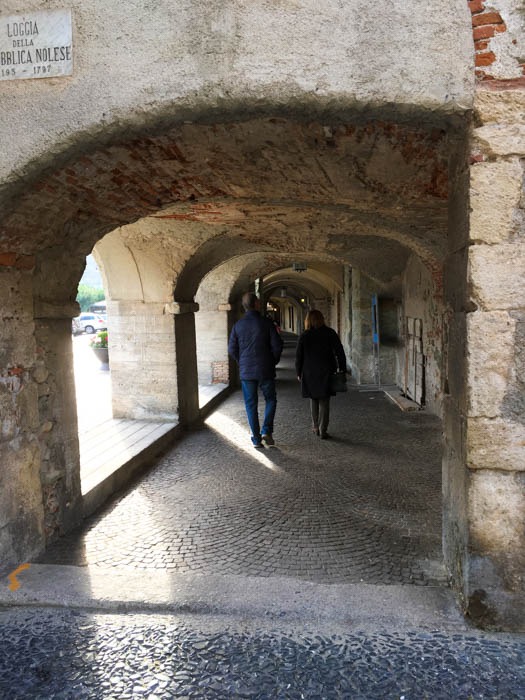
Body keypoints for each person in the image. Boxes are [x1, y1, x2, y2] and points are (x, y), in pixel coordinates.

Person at [228, 292, 284, 448]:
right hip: (265, 369)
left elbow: (232, 349)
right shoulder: (266, 323)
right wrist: (273, 361)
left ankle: (256, 439)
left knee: (250, 404)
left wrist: (242, 362)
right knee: (271, 399)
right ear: (257, 304)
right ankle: (267, 430)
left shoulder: (238, 325)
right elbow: (277, 345)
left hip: (247, 372)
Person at [295, 309, 347, 439]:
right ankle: (323, 430)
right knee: (324, 400)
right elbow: (340, 351)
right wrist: (342, 368)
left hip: (309, 371)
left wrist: (298, 372)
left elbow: (298, 356)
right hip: (326, 370)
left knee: (313, 398)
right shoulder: (330, 333)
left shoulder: (305, 335)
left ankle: (315, 426)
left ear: (308, 320)